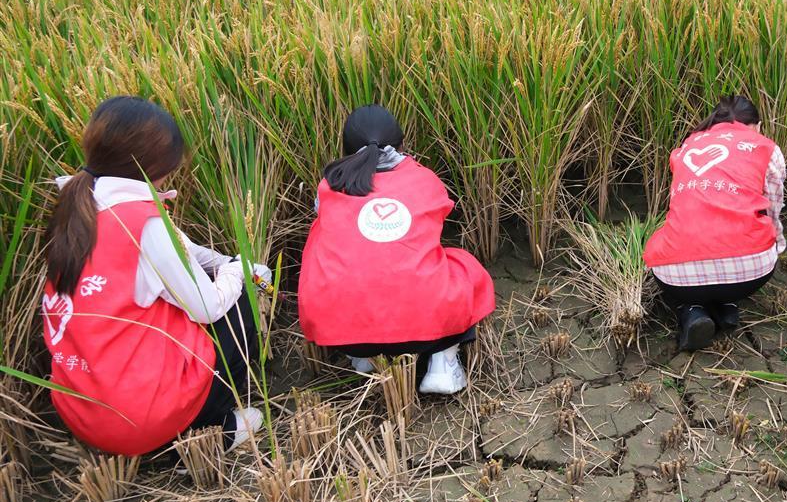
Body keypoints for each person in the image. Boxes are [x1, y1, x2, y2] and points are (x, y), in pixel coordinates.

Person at [41, 97, 267, 457]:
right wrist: (236, 271)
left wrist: (227, 262)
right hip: (140, 420)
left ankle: (170, 426)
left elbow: (184, 251)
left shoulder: (76, 203)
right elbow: (208, 308)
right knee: (237, 302)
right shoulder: (144, 224)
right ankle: (210, 426)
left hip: (83, 412)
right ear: (156, 166)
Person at [298, 105, 495, 394]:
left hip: (342, 330)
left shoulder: (330, 184)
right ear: (401, 143)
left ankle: (363, 358)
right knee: (462, 266)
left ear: (346, 147)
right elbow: (441, 213)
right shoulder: (423, 178)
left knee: (331, 251)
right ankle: (443, 364)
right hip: (425, 327)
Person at [643, 96, 787, 351]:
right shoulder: (765, 146)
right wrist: (777, 246)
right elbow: (774, 208)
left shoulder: (688, 145)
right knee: (754, 239)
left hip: (678, 276)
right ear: (757, 125)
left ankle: (692, 311)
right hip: (751, 273)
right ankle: (727, 305)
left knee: (661, 249)